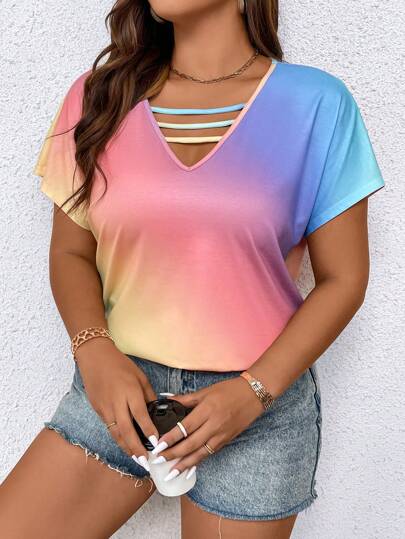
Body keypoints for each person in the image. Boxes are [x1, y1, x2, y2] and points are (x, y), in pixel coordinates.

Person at [0, 1, 385, 537]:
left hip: (257, 405)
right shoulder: (99, 97)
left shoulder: (319, 104)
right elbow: (70, 252)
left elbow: (344, 280)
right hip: (118, 387)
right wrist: (94, 351)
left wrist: (252, 393)